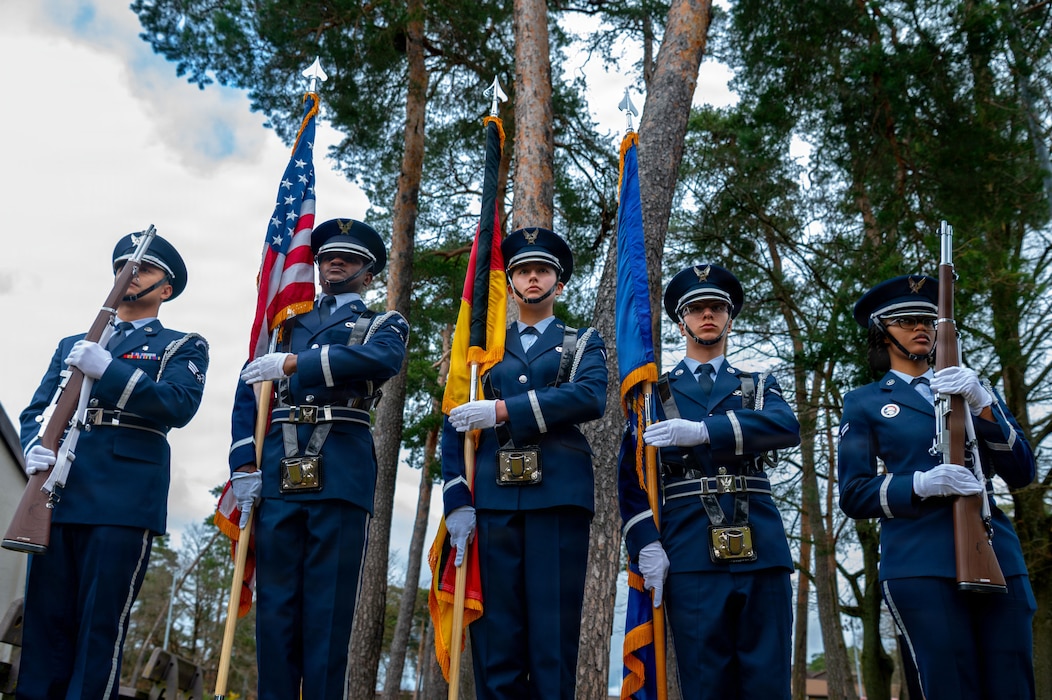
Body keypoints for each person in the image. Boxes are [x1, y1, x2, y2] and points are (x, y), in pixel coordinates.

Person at [17, 232, 209, 699]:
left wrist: (112, 369)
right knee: (44, 626)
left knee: (99, 629)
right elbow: (38, 411)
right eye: (124, 266)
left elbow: (178, 405)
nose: (129, 274)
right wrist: (32, 448)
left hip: (122, 499)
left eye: (141, 269)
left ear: (165, 289)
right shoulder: (73, 342)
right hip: (58, 493)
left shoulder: (181, 344)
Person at [228, 218, 409, 700]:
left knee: (327, 615)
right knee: (275, 612)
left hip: (340, 472)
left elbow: (380, 360)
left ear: (368, 273)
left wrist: (294, 364)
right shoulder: (286, 322)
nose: (333, 262)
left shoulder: (382, 324)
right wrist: (244, 465)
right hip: (278, 474)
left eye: (347, 257)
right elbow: (249, 388)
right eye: (327, 255)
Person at [838, 274, 1036, 700]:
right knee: (948, 686)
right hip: (918, 561)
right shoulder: (865, 401)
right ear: (882, 332)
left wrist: (983, 403)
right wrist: (920, 484)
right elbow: (854, 493)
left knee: (1012, 686)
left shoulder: (974, 390)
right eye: (907, 319)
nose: (920, 327)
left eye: (929, 319)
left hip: (996, 552)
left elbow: (1022, 471)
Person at [618, 263, 800, 700]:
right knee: (705, 685)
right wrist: (646, 544)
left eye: (717, 308)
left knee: (769, 683)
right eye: (697, 309)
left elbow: (785, 427)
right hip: (690, 553)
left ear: (730, 318)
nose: (707, 316)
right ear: (682, 321)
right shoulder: (653, 395)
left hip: (763, 550)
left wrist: (705, 432)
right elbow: (629, 477)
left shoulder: (757, 386)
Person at [441, 226, 608, 699]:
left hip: (557, 496)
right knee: (496, 643)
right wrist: (456, 496)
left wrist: (502, 410)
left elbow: (590, 396)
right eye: (523, 271)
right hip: (491, 500)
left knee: (552, 643)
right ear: (509, 283)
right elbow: (455, 416)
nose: (533, 278)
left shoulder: (582, 342)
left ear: (560, 282)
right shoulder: (481, 352)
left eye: (543, 271)